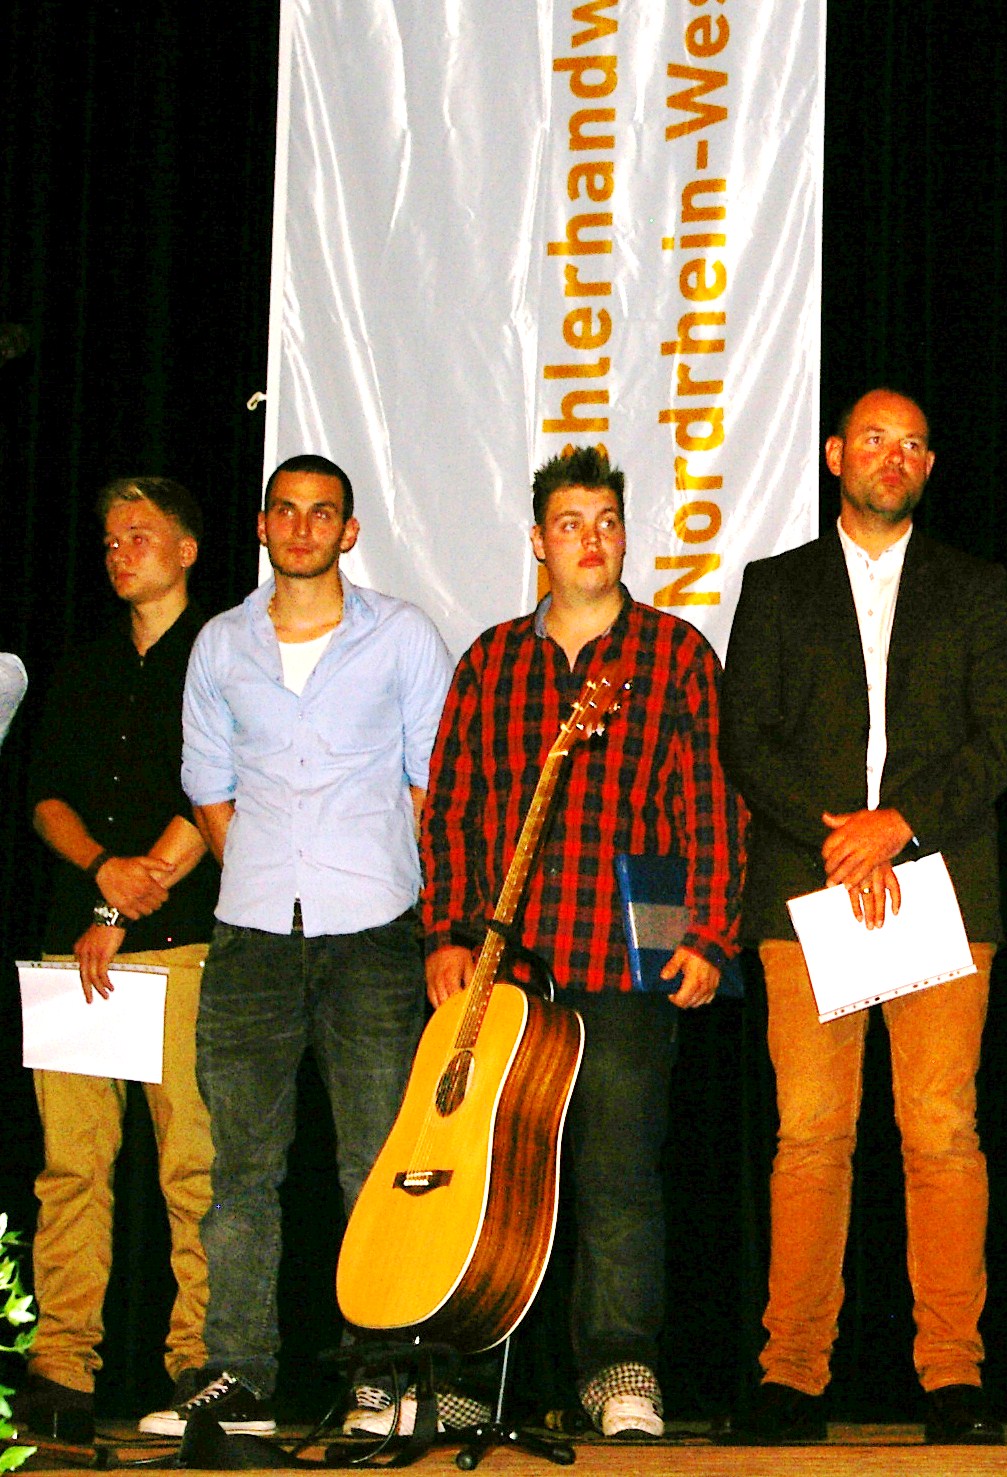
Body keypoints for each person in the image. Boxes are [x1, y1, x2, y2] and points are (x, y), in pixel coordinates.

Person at [720, 389, 1007, 1445]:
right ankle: (790, 1376)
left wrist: (898, 824)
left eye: (911, 445)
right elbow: (746, 737)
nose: (891, 458)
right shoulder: (776, 586)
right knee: (810, 1136)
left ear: (928, 467)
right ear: (833, 455)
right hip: (806, 889)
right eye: (873, 440)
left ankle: (953, 1376)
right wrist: (839, 836)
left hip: (939, 886)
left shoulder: (973, 586)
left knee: (941, 1134)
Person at [414, 445, 742, 1438]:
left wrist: (708, 937)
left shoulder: (675, 654)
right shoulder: (490, 661)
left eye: (606, 522)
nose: (591, 540)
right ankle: (469, 1374)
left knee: (616, 1172)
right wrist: (446, 934)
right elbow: (450, 811)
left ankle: (618, 1370)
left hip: (624, 960)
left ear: (624, 536)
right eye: (570, 524)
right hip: (503, 970)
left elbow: (713, 809)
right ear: (537, 542)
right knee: (486, 1174)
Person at [140, 455, 453, 1436]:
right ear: (263, 526)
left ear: (348, 532)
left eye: (323, 513)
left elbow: (430, 783)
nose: (304, 527)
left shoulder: (402, 635)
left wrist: (380, 885)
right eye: (287, 510)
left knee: (377, 1166)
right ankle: (238, 1379)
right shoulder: (220, 645)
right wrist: (271, 872)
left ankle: (384, 1379)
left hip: (375, 935)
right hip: (253, 938)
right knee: (240, 1169)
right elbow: (210, 788)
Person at [14, 478, 219, 1446]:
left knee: (193, 1165)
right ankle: (60, 1367)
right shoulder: (86, 663)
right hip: (75, 942)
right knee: (71, 1167)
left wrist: (126, 898)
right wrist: (100, 870)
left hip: (177, 939)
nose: (118, 549)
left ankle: (200, 1363)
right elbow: (44, 795)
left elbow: (220, 790)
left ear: (186, 548)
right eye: (108, 540)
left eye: (139, 533)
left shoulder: (223, 652)